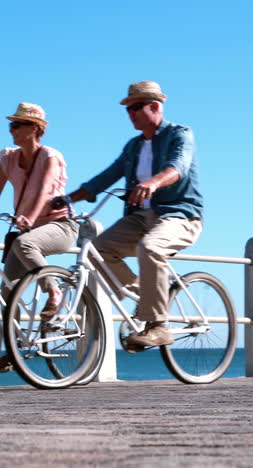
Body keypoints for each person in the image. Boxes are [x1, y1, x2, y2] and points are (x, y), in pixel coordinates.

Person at [54, 80, 204, 348]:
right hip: (139, 218)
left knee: (150, 247)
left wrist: (153, 183)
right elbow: (106, 177)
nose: (130, 114)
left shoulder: (180, 134)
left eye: (135, 107)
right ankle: (147, 299)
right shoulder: (133, 146)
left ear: (155, 106)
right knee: (98, 250)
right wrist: (67, 198)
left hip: (179, 215)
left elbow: (177, 167)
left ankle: (159, 325)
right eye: (127, 109)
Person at [0, 102, 78, 371]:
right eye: (11, 124)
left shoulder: (50, 156)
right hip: (27, 232)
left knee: (25, 242)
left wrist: (29, 219)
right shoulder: (8, 157)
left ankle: (54, 292)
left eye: (16, 124)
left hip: (61, 226)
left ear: (35, 128)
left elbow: (45, 191)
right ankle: (16, 348)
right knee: (7, 291)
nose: (11, 129)